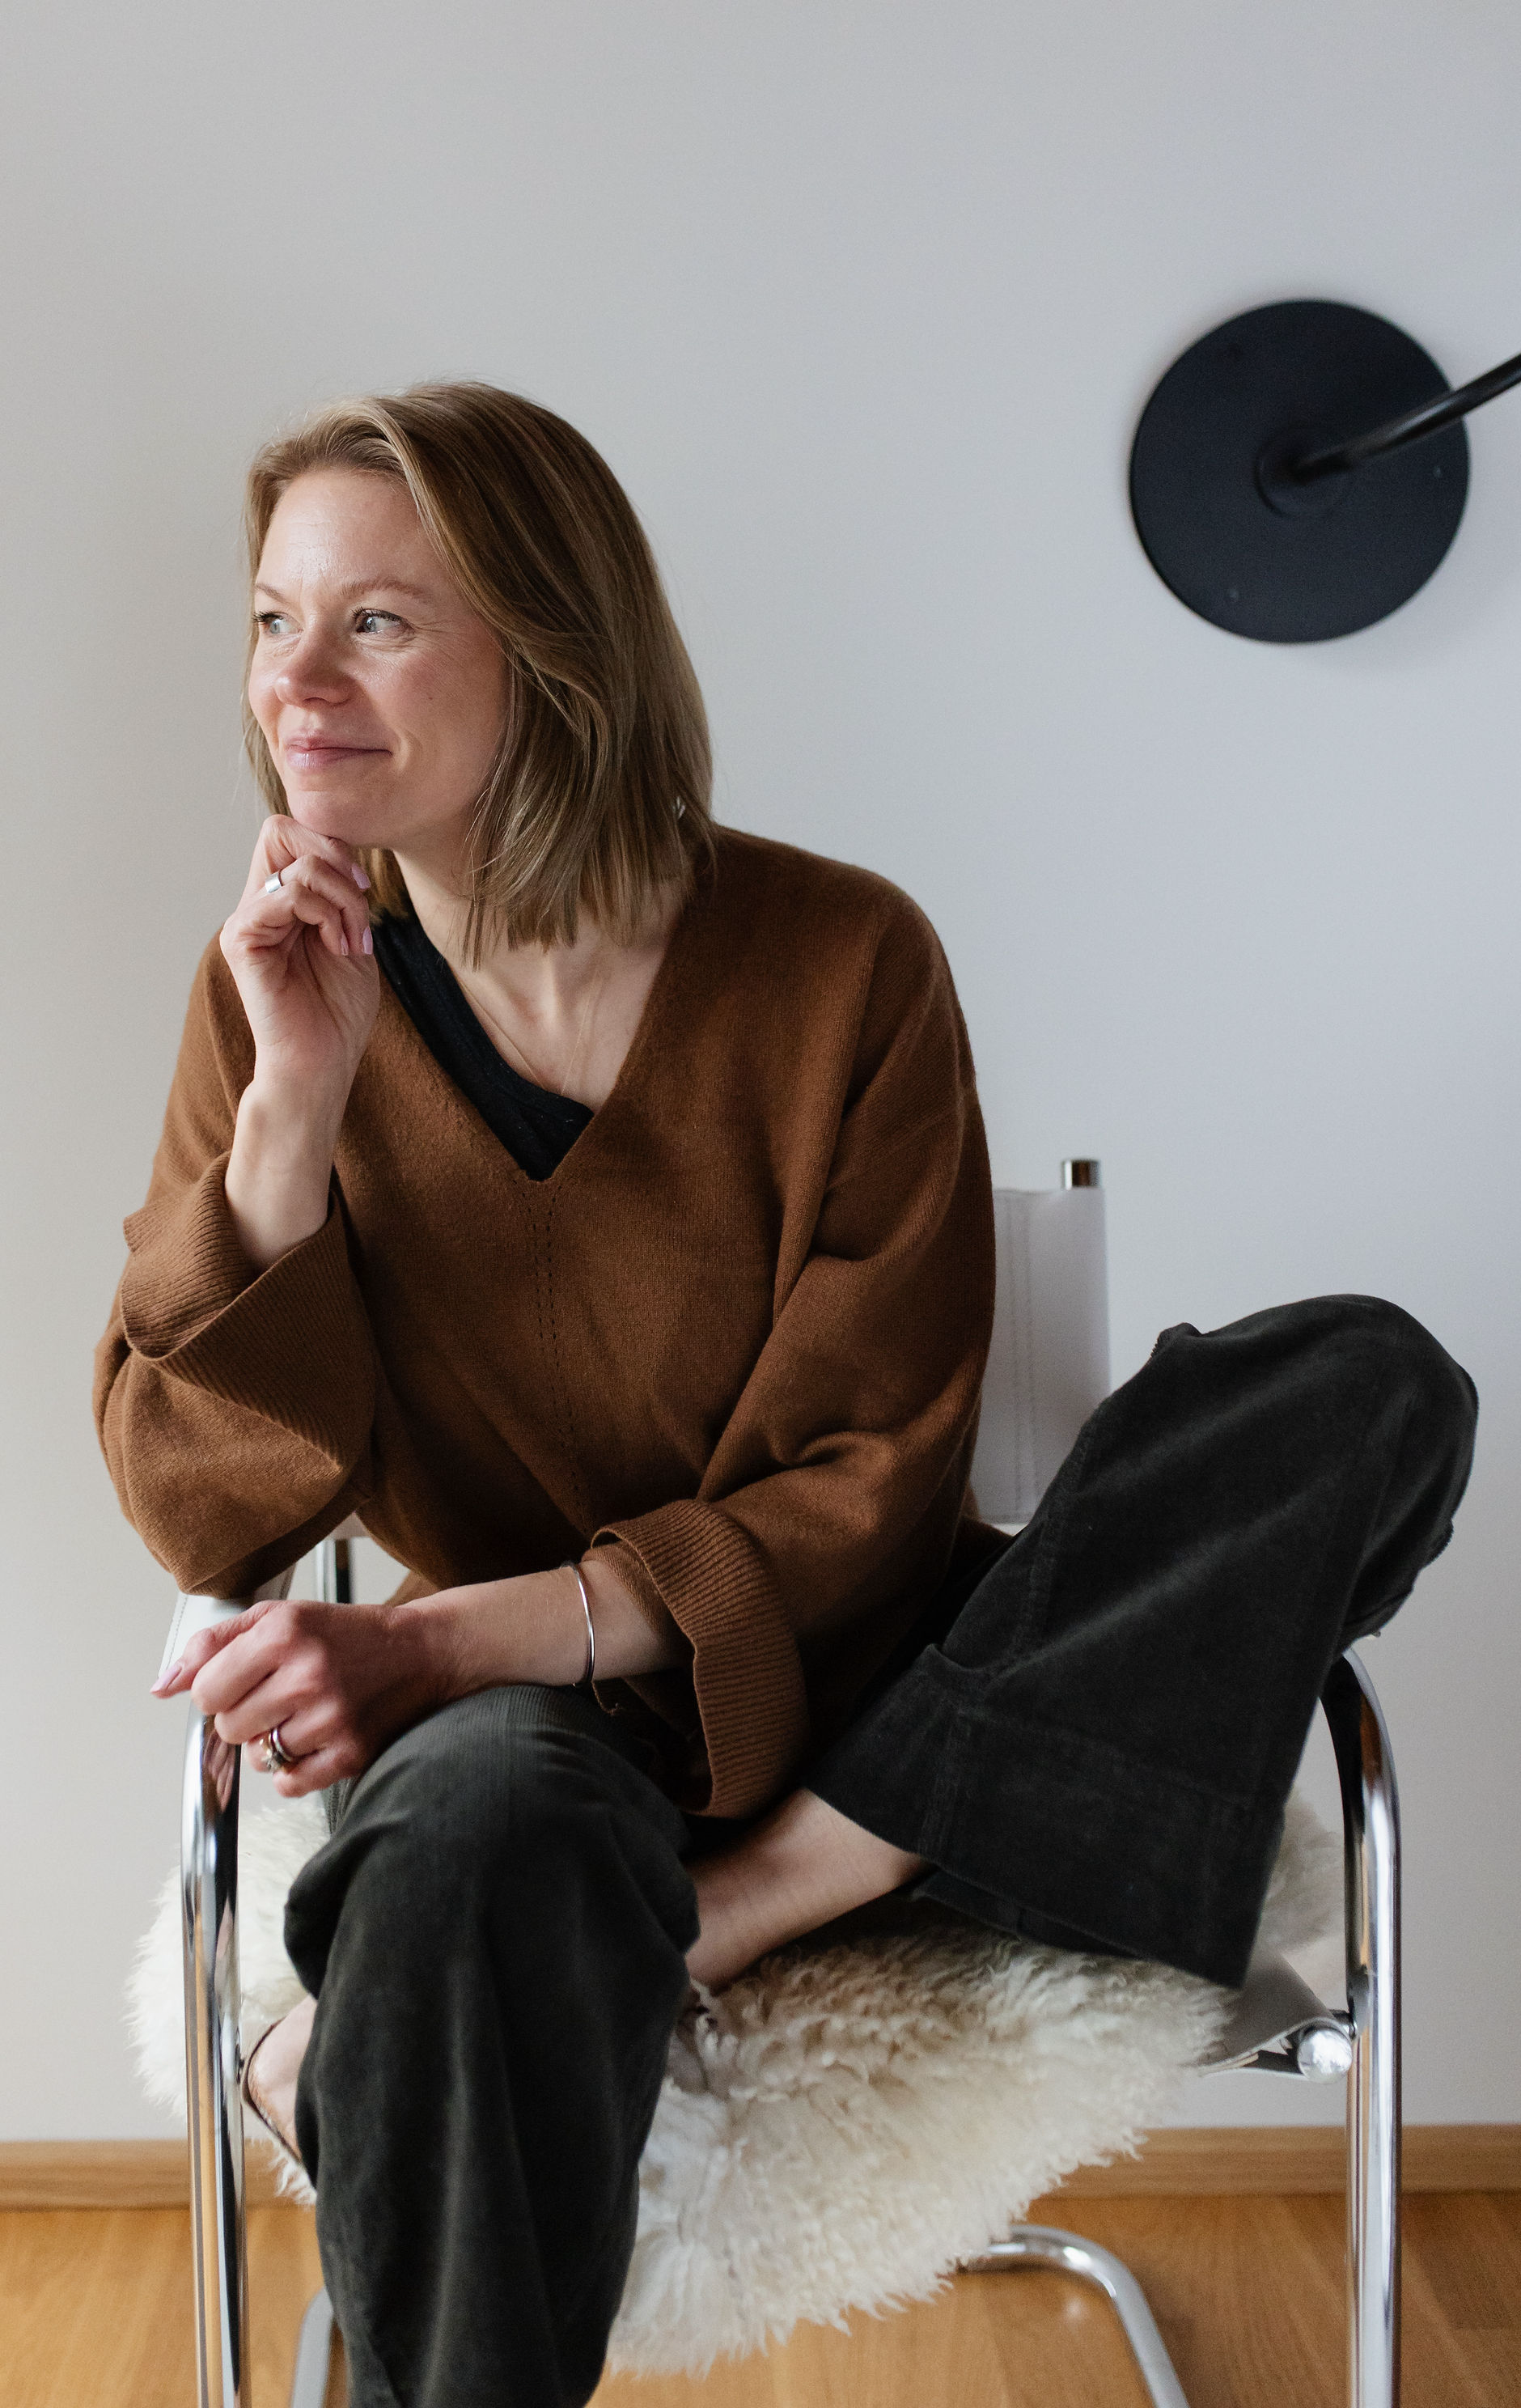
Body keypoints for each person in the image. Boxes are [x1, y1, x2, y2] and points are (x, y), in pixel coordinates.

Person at [100, 382, 1477, 2408]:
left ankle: (743, 1902)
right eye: (270, 620)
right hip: (543, 1763)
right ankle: (650, 1917)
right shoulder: (277, 989)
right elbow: (201, 1511)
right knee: (464, 1834)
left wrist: (457, 1633)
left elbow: (868, 1479)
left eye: (375, 622)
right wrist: (292, 1119)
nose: (296, 686)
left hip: (904, 1682)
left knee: (1367, 1381)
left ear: (552, 644)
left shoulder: (841, 963)